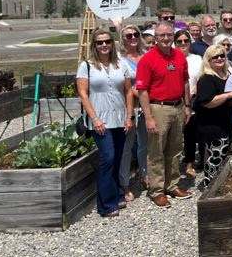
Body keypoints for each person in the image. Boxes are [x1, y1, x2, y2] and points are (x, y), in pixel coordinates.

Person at [135, 21, 193, 208]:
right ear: (156, 37)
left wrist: (187, 105)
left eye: (169, 35)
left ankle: (172, 185)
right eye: (162, 36)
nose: (166, 38)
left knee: (175, 149)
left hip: (177, 107)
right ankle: (157, 191)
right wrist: (148, 117)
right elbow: (142, 91)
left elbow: (185, 81)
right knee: (156, 151)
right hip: (157, 108)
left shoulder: (179, 57)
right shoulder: (147, 60)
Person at [78, 29, 134, 217]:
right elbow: (83, 94)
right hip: (100, 119)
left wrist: (129, 115)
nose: (104, 45)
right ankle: (106, 205)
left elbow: (127, 91)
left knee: (117, 157)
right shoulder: (86, 66)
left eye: (107, 41)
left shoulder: (121, 64)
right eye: (100, 42)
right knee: (107, 157)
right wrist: (94, 118)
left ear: (112, 43)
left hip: (119, 117)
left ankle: (117, 194)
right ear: (94, 45)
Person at [194, 45, 232, 187]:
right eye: (215, 57)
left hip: (227, 123)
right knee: (215, 157)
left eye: (222, 55)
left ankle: (219, 184)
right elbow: (207, 102)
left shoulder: (229, 76)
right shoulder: (206, 78)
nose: (219, 59)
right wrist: (228, 95)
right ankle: (210, 186)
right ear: (208, 60)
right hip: (212, 125)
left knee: (224, 156)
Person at [117, 24, 148, 200]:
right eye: (128, 36)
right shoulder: (120, 59)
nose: (133, 38)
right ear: (122, 39)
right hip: (129, 106)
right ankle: (124, 182)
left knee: (145, 143)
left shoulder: (146, 56)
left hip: (146, 106)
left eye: (135, 34)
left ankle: (144, 174)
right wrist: (142, 94)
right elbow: (123, 84)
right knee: (127, 146)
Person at [175, 30, 202, 178]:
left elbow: (202, 75)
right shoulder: (171, 58)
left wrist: (194, 90)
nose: (183, 43)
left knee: (190, 134)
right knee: (174, 136)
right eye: (179, 41)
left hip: (193, 100)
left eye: (186, 40)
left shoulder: (197, 59)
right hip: (175, 101)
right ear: (175, 43)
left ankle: (189, 164)